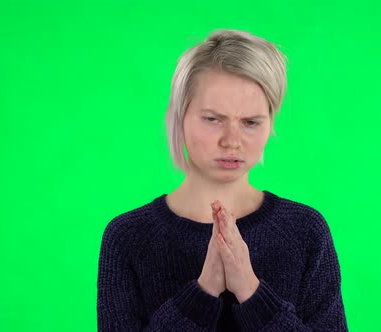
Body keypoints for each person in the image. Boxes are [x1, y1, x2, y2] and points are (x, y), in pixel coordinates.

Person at [97, 29, 348, 331]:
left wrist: (251, 291)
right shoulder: (127, 237)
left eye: (250, 122)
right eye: (213, 119)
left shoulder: (306, 231)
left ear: (270, 125)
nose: (232, 141)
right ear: (179, 117)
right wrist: (202, 292)